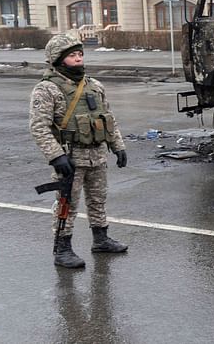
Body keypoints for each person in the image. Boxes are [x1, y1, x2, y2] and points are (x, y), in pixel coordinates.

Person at [29, 34, 129, 269]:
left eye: (80, 54)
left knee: (98, 200)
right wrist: (56, 155)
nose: (78, 59)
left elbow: (108, 119)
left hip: (97, 155)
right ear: (58, 59)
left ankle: (101, 239)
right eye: (72, 56)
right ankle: (62, 249)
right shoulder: (47, 89)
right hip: (70, 158)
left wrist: (118, 146)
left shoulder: (94, 86)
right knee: (67, 205)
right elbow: (39, 127)